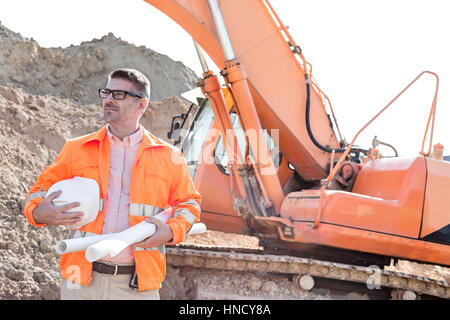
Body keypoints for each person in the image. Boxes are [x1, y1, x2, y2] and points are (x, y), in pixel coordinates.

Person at [23, 68, 201, 300]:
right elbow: (37, 192)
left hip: (136, 286)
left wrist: (170, 231)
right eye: (107, 92)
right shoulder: (77, 149)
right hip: (81, 281)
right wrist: (38, 212)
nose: (108, 99)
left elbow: (189, 204)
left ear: (142, 105)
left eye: (119, 94)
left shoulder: (168, 156)